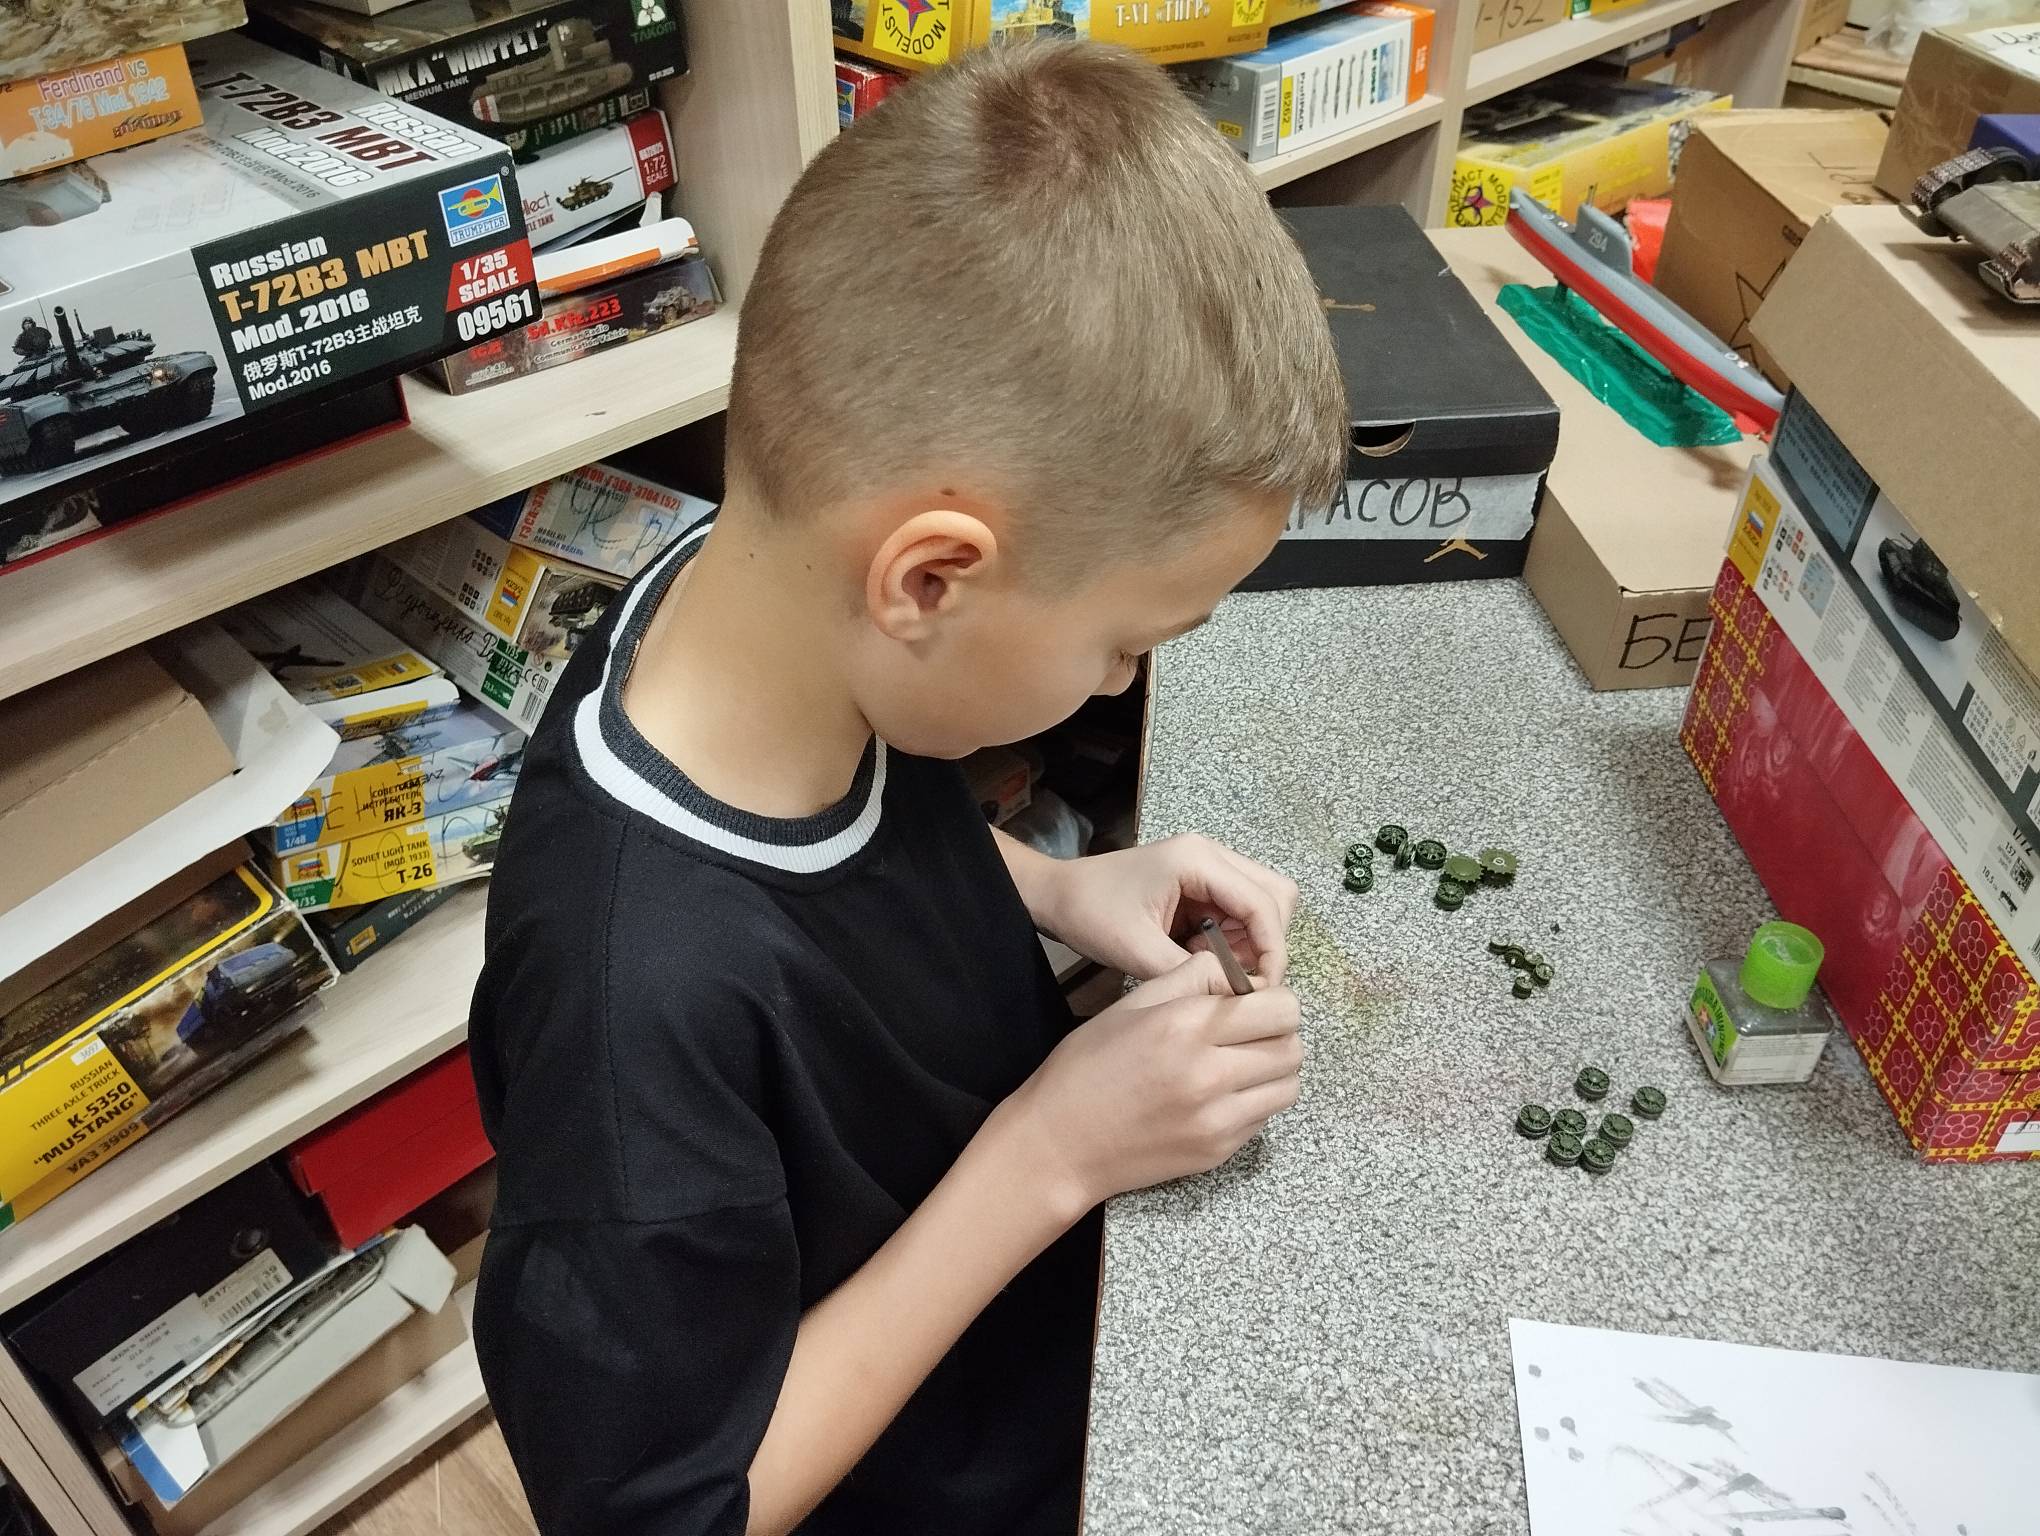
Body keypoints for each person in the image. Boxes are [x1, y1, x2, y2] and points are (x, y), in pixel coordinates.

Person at [468, 36, 1347, 1536]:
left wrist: (1058, 885)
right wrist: (1050, 1153)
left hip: (1030, 1326)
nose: (1121, 686)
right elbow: (674, 1507)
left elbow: (845, 853)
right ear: (930, 578)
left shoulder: (758, 609)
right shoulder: (631, 1008)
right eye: (1126, 644)